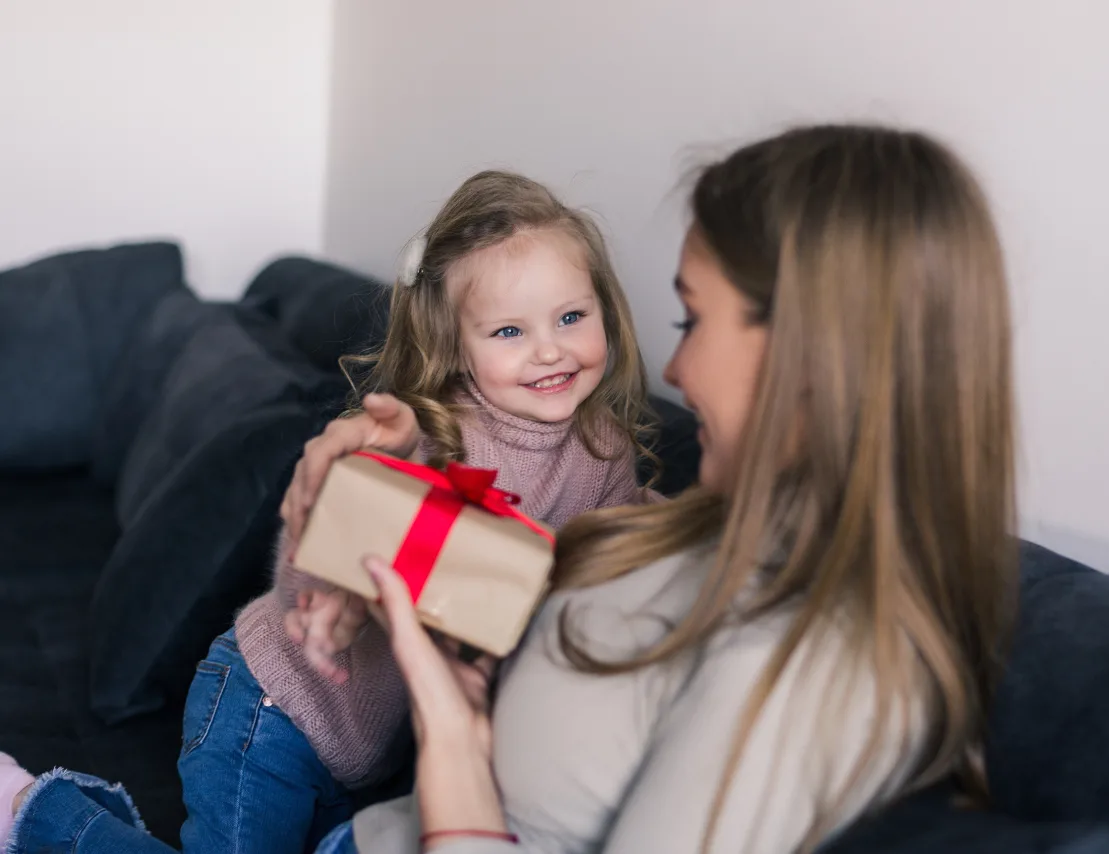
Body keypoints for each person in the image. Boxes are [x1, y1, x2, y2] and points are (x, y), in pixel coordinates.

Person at [316, 122, 1020, 853]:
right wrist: (376, 485)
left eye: (693, 319)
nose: (674, 372)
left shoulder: (801, 666)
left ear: (811, 356)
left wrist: (453, 747)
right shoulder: (728, 524)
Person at [0, 170, 658, 853]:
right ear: (456, 347)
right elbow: (325, 533)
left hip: (371, 749)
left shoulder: (604, 450)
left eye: (571, 317)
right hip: (270, 709)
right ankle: (33, 812)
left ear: (606, 310)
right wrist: (323, 592)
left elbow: (609, 553)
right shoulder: (437, 438)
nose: (550, 350)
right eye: (510, 331)